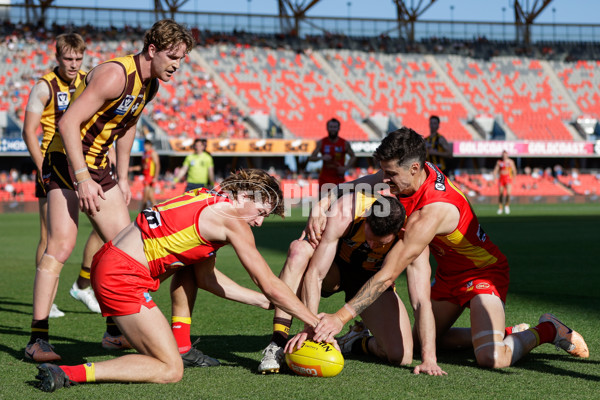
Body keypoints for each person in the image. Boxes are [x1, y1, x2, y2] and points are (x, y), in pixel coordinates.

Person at [304, 127, 588, 369]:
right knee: (415, 343)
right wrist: (327, 200)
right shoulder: (412, 175)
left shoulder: (432, 211)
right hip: (448, 277)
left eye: (390, 174)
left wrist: (339, 318)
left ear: (414, 168)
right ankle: (505, 332)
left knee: (491, 357)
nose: (384, 179)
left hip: (483, 274)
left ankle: (547, 330)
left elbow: (387, 276)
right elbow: (363, 183)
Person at [34, 169, 324, 392]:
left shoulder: (207, 197)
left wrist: (261, 301)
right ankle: (69, 373)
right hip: (121, 276)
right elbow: (269, 283)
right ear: (246, 197)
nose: (260, 222)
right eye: (261, 213)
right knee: (169, 370)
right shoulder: (231, 220)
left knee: (191, 264)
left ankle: (182, 345)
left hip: (112, 261)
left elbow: (205, 277)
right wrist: (312, 321)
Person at [24, 19, 195, 363]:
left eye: (182, 59)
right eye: (173, 57)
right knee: (62, 245)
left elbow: (127, 126)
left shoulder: (150, 86)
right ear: (152, 50)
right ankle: (37, 339)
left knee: (124, 247)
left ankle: (114, 333)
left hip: (97, 164)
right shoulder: (116, 75)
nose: (177, 65)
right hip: (64, 158)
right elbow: (68, 123)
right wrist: (82, 176)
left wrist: (123, 175)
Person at [259, 193, 444, 375]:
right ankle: (278, 343)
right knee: (298, 250)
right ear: (366, 218)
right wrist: (311, 328)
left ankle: (354, 341)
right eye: (369, 236)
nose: (370, 245)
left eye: (379, 243)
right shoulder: (345, 211)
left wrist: (429, 359)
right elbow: (316, 274)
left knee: (400, 356)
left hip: (371, 282)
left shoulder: (414, 238)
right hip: (335, 270)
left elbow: (421, 301)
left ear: (399, 233)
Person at [21, 33, 104, 318]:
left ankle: (83, 283)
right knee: (50, 237)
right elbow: (28, 132)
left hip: (84, 163)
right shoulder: (44, 87)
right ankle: (48, 301)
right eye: (68, 59)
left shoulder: (89, 81)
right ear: (58, 58)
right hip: (52, 165)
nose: (73, 64)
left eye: (78, 59)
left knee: (106, 226)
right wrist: (41, 167)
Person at [308, 118, 356, 193]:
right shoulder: (321, 142)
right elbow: (311, 158)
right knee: (323, 202)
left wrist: (345, 168)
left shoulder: (344, 143)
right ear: (327, 128)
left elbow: (353, 156)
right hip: (324, 178)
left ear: (338, 128)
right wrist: (322, 157)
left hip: (339, 178)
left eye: (335, 127)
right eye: (331, 127)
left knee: (339, 202)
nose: (333, 129)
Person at [130, 139, 161, 211]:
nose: (145, 146)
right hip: (146, 176)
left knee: (145, 196)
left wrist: (155, 177)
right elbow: (142, 166)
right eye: (144, 145)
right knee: (150, 196)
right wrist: (132, 168)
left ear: (149, 145)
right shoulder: (144, 154)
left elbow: (157, 164)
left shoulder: (152, 153)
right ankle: (158, 210)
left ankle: (141, 212)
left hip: (150, 177)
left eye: (146, 145)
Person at [493, 150, 517, 215]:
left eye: (505, 155)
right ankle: (500, 208)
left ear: (507, 155)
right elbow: (496, 170)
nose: (504, 156)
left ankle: (506, 205)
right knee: (501, 194)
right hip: (501, 179)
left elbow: (514, 170)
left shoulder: (510, 162)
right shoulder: (499, 162)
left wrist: (514, 179)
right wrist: (494, 178)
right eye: (503, 155)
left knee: (508, 193)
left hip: (508, 178)